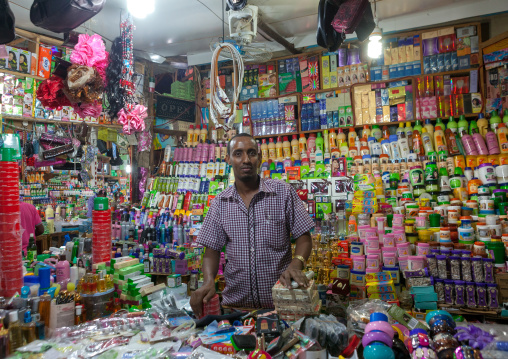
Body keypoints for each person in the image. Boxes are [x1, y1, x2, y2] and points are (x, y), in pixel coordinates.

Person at [191, 133, 314, 316]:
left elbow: (304, 237)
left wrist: (296, 264)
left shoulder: (283, 193)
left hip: (281, 306)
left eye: (251, 153)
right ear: (228, 159)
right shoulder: (220, 203)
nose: (246, 160)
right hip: (236, 309)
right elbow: (212, 250)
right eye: (238, 154)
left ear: (260, 158)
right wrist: (209, 280)